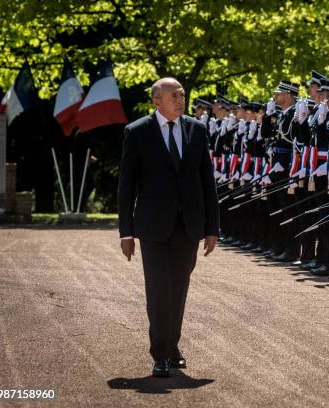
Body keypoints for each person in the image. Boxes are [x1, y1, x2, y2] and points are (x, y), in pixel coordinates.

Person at [117, 77, 219, 377]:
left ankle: (171, 347)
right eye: (173, 95)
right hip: (152, 227)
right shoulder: (137, 132)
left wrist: (212, 227)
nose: (180, 99)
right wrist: (126, 231)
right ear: (156, 101)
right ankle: (160, 353)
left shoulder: (197, 130)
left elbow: (206, 180)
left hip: (187, 226)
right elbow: (127, 185)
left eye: (182, 94)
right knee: (159, 289)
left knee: (178, 290)